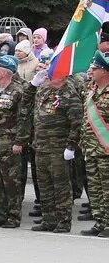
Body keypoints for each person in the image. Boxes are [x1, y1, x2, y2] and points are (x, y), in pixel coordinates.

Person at [28, 66, 81, 233]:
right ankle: (48, 219)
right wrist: (33, 84)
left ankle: (64, 221)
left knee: (61, 187)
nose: (48, 77)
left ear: (63, 77)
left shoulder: (69, 94)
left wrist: (71, 146)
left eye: (53, 75)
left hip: (58, 148)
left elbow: (77, 123)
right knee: (44, 185)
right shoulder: (44, 91)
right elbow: (26, 100)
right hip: (41, 146)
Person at [0, 55, 32, 228]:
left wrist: (20, 141)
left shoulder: (18, 91)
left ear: (5, 72)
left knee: (11, 182)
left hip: (10, 143)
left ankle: (13, 216)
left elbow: (24, 119)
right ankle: (0, 214)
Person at [80, 51, 109, 236]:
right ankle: (100, 221)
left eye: (95, 68)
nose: (91, 70)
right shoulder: (91, 91)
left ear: (105, 71)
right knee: (95, 188)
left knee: (107, 188)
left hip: (106, 148)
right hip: (90, 148)